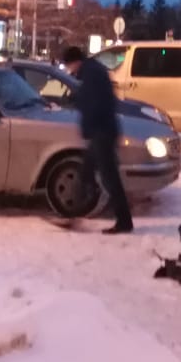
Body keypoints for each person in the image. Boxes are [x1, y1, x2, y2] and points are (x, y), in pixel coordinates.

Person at [62, 45, 133, 235]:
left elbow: (95, 105)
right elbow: (92, 100)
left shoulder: (92, 74)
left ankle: (124, 221)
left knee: (110, 179)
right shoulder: (93, 72)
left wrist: (86, 126)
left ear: (75, 62)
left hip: (101, 132)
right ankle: (76, 214)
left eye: (69, 66)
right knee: (86, 172)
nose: (70, 70)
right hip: (101, 131)